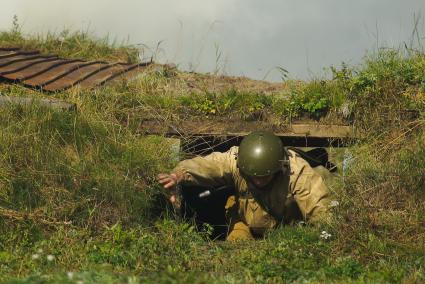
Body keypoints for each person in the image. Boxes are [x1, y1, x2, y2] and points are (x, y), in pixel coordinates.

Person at [157, 131, 331, 241]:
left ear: (279, 168)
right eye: (254, 176)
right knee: (236, 248)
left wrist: (326, 235)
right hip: (244, 221)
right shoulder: (234, 160)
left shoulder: (297, 170)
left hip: (288, 230)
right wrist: (177, 175)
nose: (259, 180)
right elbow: (207, 166)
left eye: (265, 176)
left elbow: (321, 211)